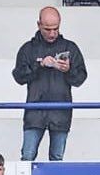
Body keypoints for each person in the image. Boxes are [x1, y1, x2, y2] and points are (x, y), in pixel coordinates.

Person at [13, 8, 88, 162]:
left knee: (57, 158)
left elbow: (80, 78)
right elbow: (18, 77)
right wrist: (39, 65)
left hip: (61, 111)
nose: (52, 33)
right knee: (27, 156)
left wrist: (68, 70)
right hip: (35, 110)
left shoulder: (70, 48)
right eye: (47, 29)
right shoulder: (28, 49)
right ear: (38, 25)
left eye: (56, 29)